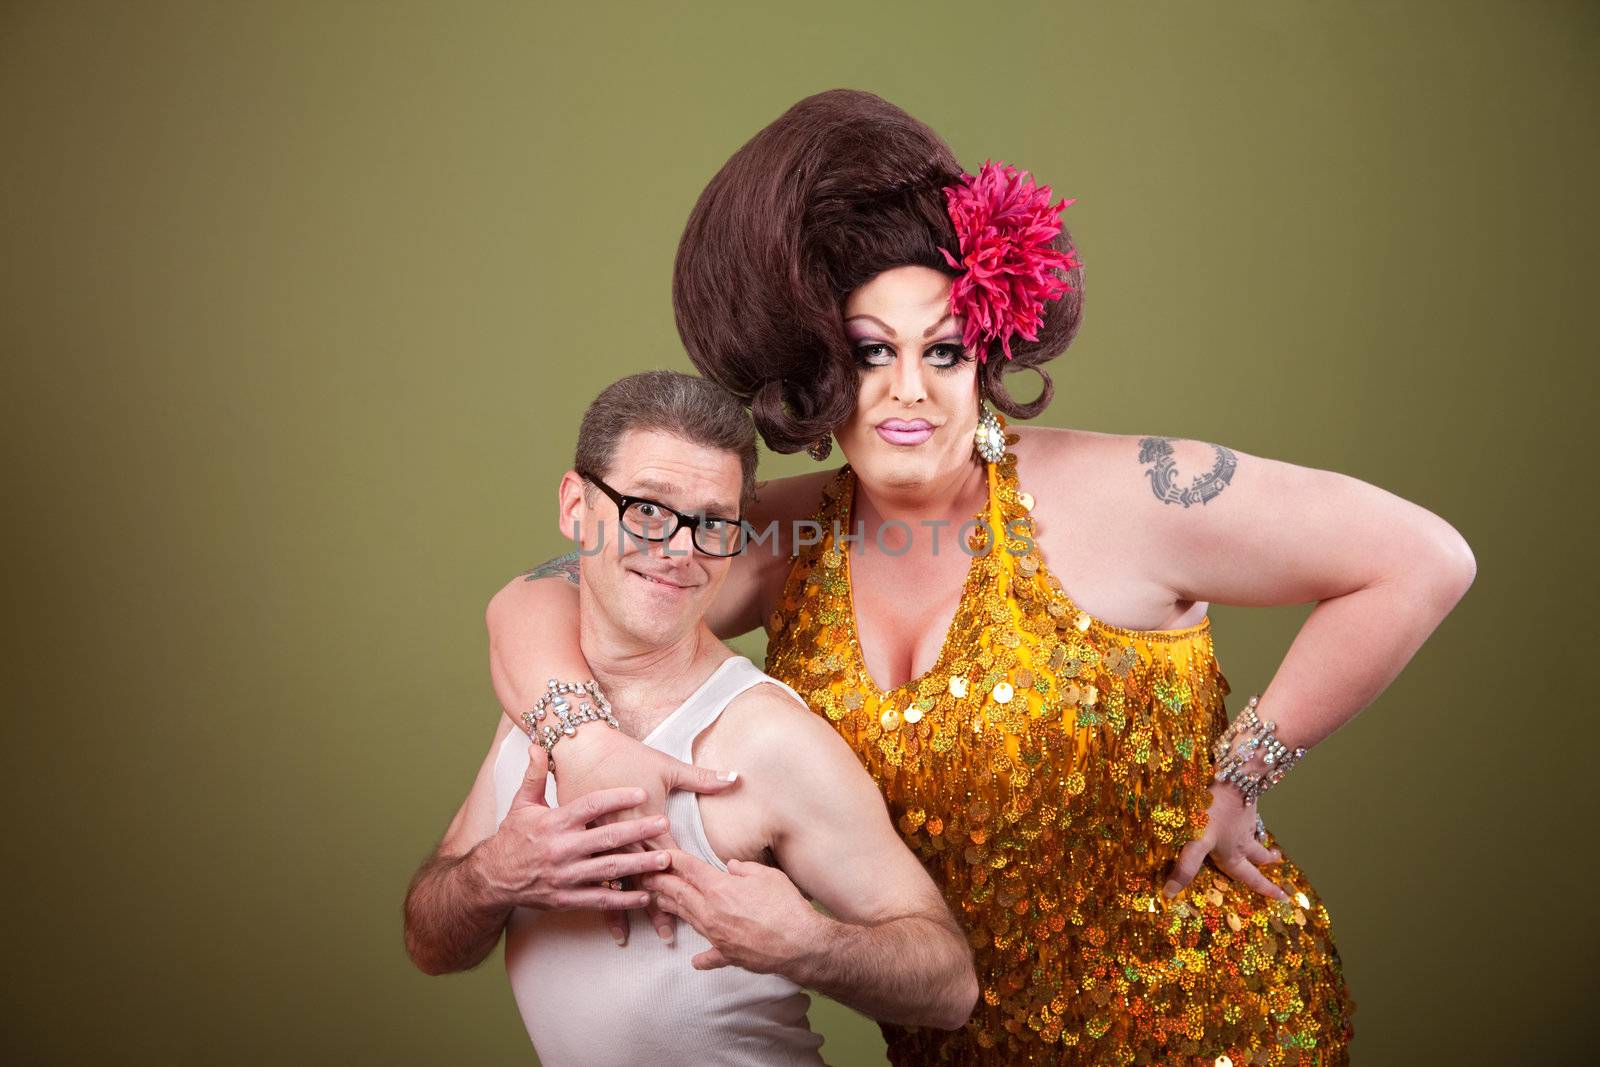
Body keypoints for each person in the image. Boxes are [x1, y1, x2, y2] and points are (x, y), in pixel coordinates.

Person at [488, 91, 1475, 1065]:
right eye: (869, 353)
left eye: (944, 348)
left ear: (987, 348)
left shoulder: (1125, 492)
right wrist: (581, 739)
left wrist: (1243, 769)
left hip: (1211, 1032)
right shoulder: (787, 538)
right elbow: (544, 595)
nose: (908, 391)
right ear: (813, 369)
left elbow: (1419, 558)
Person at [404, 370, 979, 1065]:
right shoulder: (543, 699)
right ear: (575, 508)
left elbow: (950, 984)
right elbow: (430, 942)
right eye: (647, 507)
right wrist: (492, 874)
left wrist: (810, 944)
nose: (679, 548)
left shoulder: (764, 738)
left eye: (712, 522)